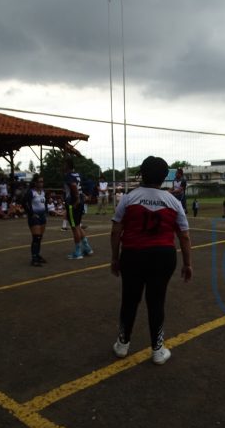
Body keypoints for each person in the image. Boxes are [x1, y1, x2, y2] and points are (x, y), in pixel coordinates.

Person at [110, 156, 192, 365]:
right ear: (164, 177)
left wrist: (115, 258)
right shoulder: (173, 201)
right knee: (156, 301)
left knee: (130, 300)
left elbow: (116, 230)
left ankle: (123, 344)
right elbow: (184, 236)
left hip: (133, 255)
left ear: (142, 174)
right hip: (163, 256)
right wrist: (187, 264)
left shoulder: (128, 198)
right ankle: (157, 350)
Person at [63, 157, 93, 259]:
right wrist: (88, 195)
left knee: (74, 227)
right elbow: (89, 183)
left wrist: (76, 199)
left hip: (73, 203)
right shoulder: (78, 174)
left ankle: (78, 252)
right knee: (78, 225)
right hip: (80, 202)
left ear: (67, 165)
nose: (62, 166)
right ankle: (87, 248)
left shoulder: (68, 176)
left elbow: (73, 185)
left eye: (64, 164)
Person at [24, 174, 48, 267]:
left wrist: (46, 211)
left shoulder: (43, 192)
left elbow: (44, 203)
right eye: (39, 181)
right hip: (35, 217)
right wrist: (31, 214)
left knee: (40, 237)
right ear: (35, 183)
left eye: (42, 181)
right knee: (36, 237)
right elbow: (24, 203)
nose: (41, 183)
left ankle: (37, 255)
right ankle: (34, 258)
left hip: (42, 216)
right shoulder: (31, 192)